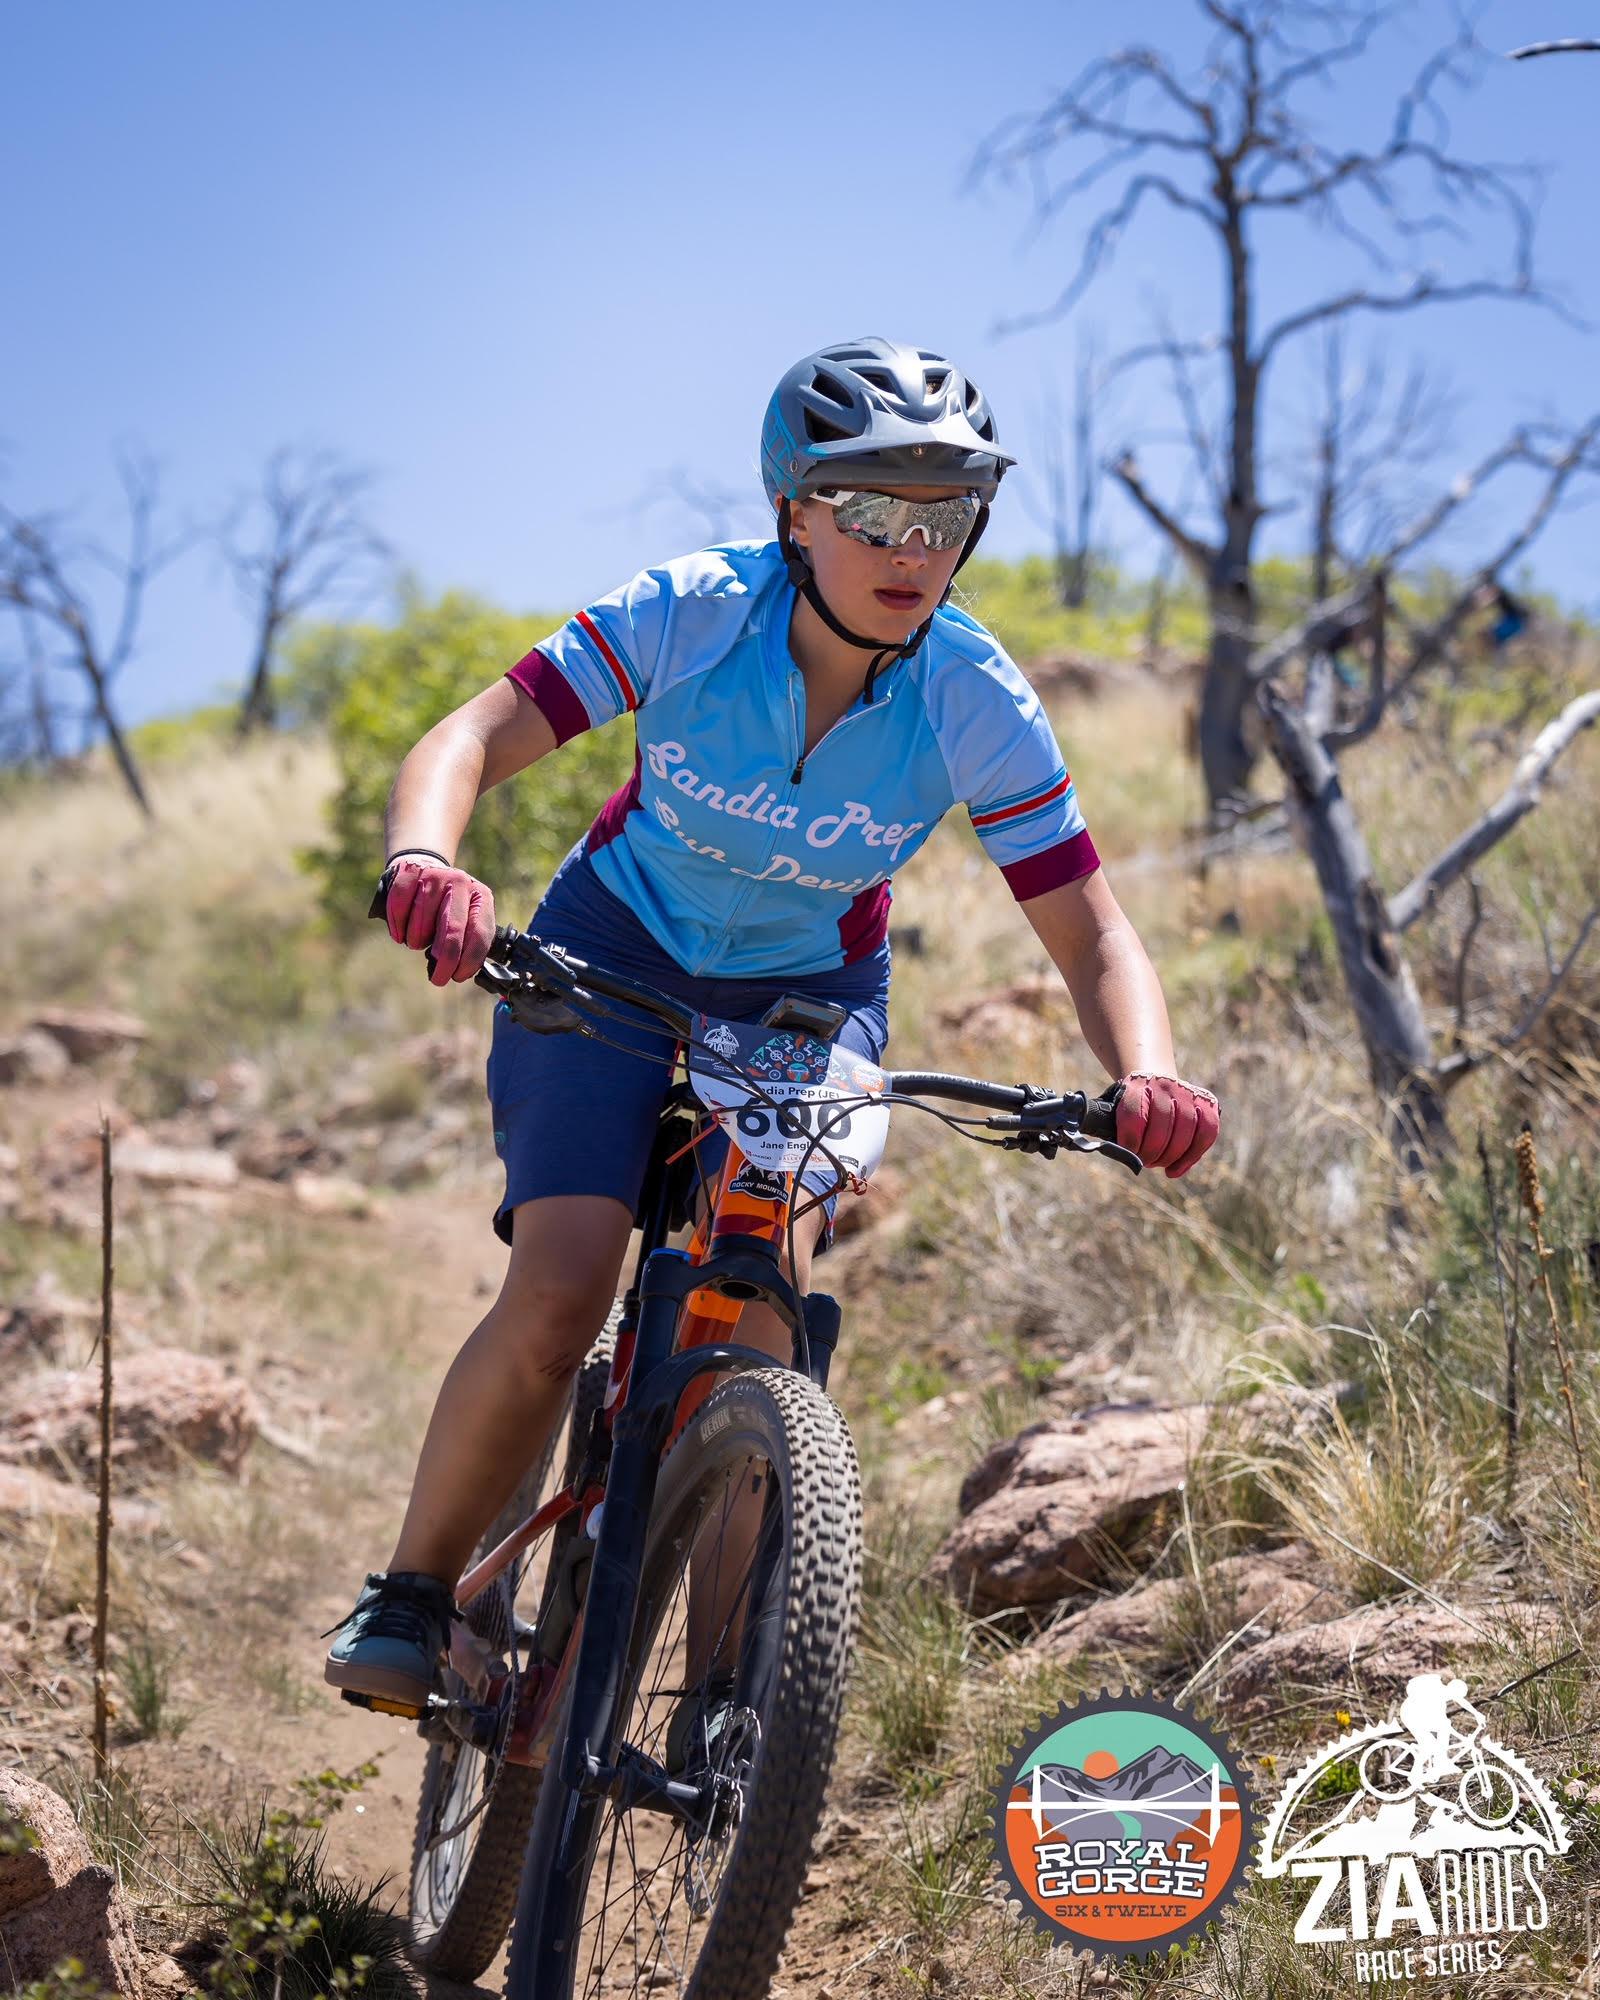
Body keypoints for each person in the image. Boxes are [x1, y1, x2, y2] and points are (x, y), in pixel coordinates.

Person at [322, 336, 1221, 1759]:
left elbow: (1094, 933)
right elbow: (469, 736)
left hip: (805, 1003)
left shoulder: (975, 698)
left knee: (758, 1325)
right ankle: (416, 1593)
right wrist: (429, 860)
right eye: (872, 509)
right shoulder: (693, 613)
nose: (910, 546)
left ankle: (734, 1713)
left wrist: (1149, 1074)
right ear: (793, 510)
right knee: (562, 1293)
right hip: (609, 954)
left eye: (945, 514)